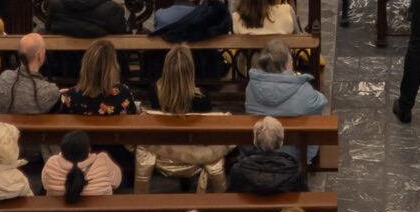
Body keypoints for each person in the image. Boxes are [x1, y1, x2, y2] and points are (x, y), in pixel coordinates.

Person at [136, 44, 230, 193]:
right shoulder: (202, 97)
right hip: (194, 151)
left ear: (165, 68)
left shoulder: (155, 91)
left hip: (165, 149)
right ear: (191, 70)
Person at [227, 116, 309, 199]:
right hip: (283, 211)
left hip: (250, 211)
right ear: (281, 143)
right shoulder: (294, 170)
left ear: (254, 142)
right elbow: (304, 197)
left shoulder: (238, 170)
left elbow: (231, 196)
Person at [246, 40, 329, 118]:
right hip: (294, 133)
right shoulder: (302, 88)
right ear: (288, 65)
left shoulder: (252, 85)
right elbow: (319, 105)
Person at [60, 38, 138, 114]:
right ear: (114, 66)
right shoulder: (124, 93)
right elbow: (133, 115)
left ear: (85, 64)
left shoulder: (71, 96)